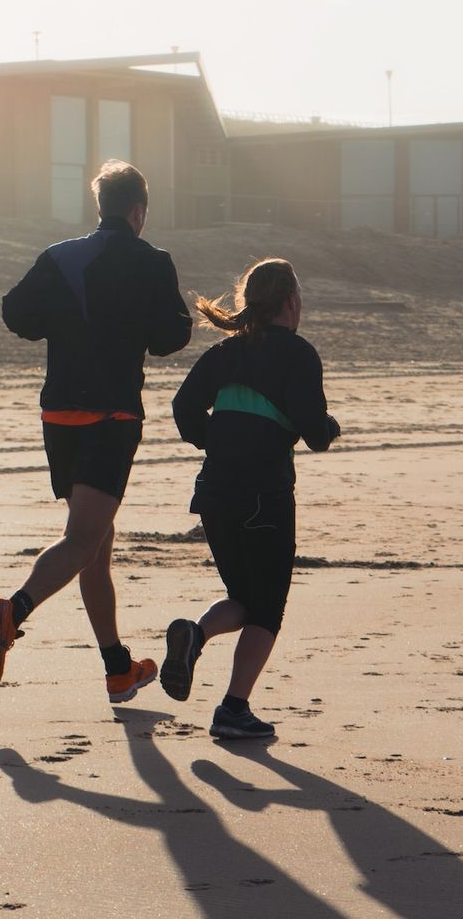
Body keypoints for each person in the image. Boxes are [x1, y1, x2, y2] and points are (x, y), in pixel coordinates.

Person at [0, 160, 192, 701]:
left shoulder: (59, 256)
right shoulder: (151, 261)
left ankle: (118, 666)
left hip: (59, 415)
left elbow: (15, 314)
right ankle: (11, 612)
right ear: (139, 211)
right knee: (82, 539)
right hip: (111, 415)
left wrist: (67, 323)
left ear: (101, 206)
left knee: (98, 541)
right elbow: (172, 336)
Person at [161, 258, 340, 738]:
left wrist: (216, 441)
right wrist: (330, 428)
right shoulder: (298, 355)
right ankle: (233, 709)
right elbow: (314, 432)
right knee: (267, 608)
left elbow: (182, 409)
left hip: (215, 492)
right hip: (265, 495)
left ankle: (193, 636)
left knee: (244, 597)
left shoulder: (225, 352)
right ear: (292, 302)